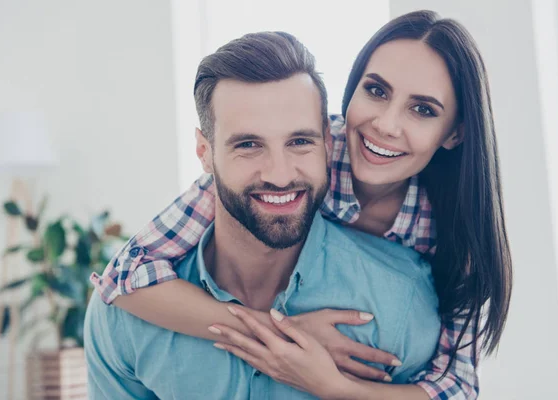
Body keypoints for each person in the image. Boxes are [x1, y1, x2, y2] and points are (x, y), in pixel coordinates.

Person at [89, 9, 512, 400]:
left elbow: (455, 385)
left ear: (454, 133)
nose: (386, 124)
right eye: (376, 90)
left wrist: (331, 385)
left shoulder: (453, 231)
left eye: (422, 109)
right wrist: (279, 332)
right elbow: (126, 274)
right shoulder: (318, 149)